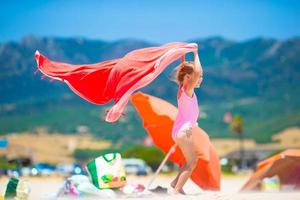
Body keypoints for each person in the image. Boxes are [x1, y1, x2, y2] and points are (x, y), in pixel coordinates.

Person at [170, 48, 203, 195]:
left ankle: (176, 183)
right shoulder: (187, 89)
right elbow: (195, 72)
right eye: (199, 76)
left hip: (180, 131)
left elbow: (186, 71)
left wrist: (182, 56)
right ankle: (176, 192)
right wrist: (195, 53)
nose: (200, 78)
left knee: (189, 159)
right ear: (189, 78)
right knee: (192, 162)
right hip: (184, 131)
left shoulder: (182, 89)